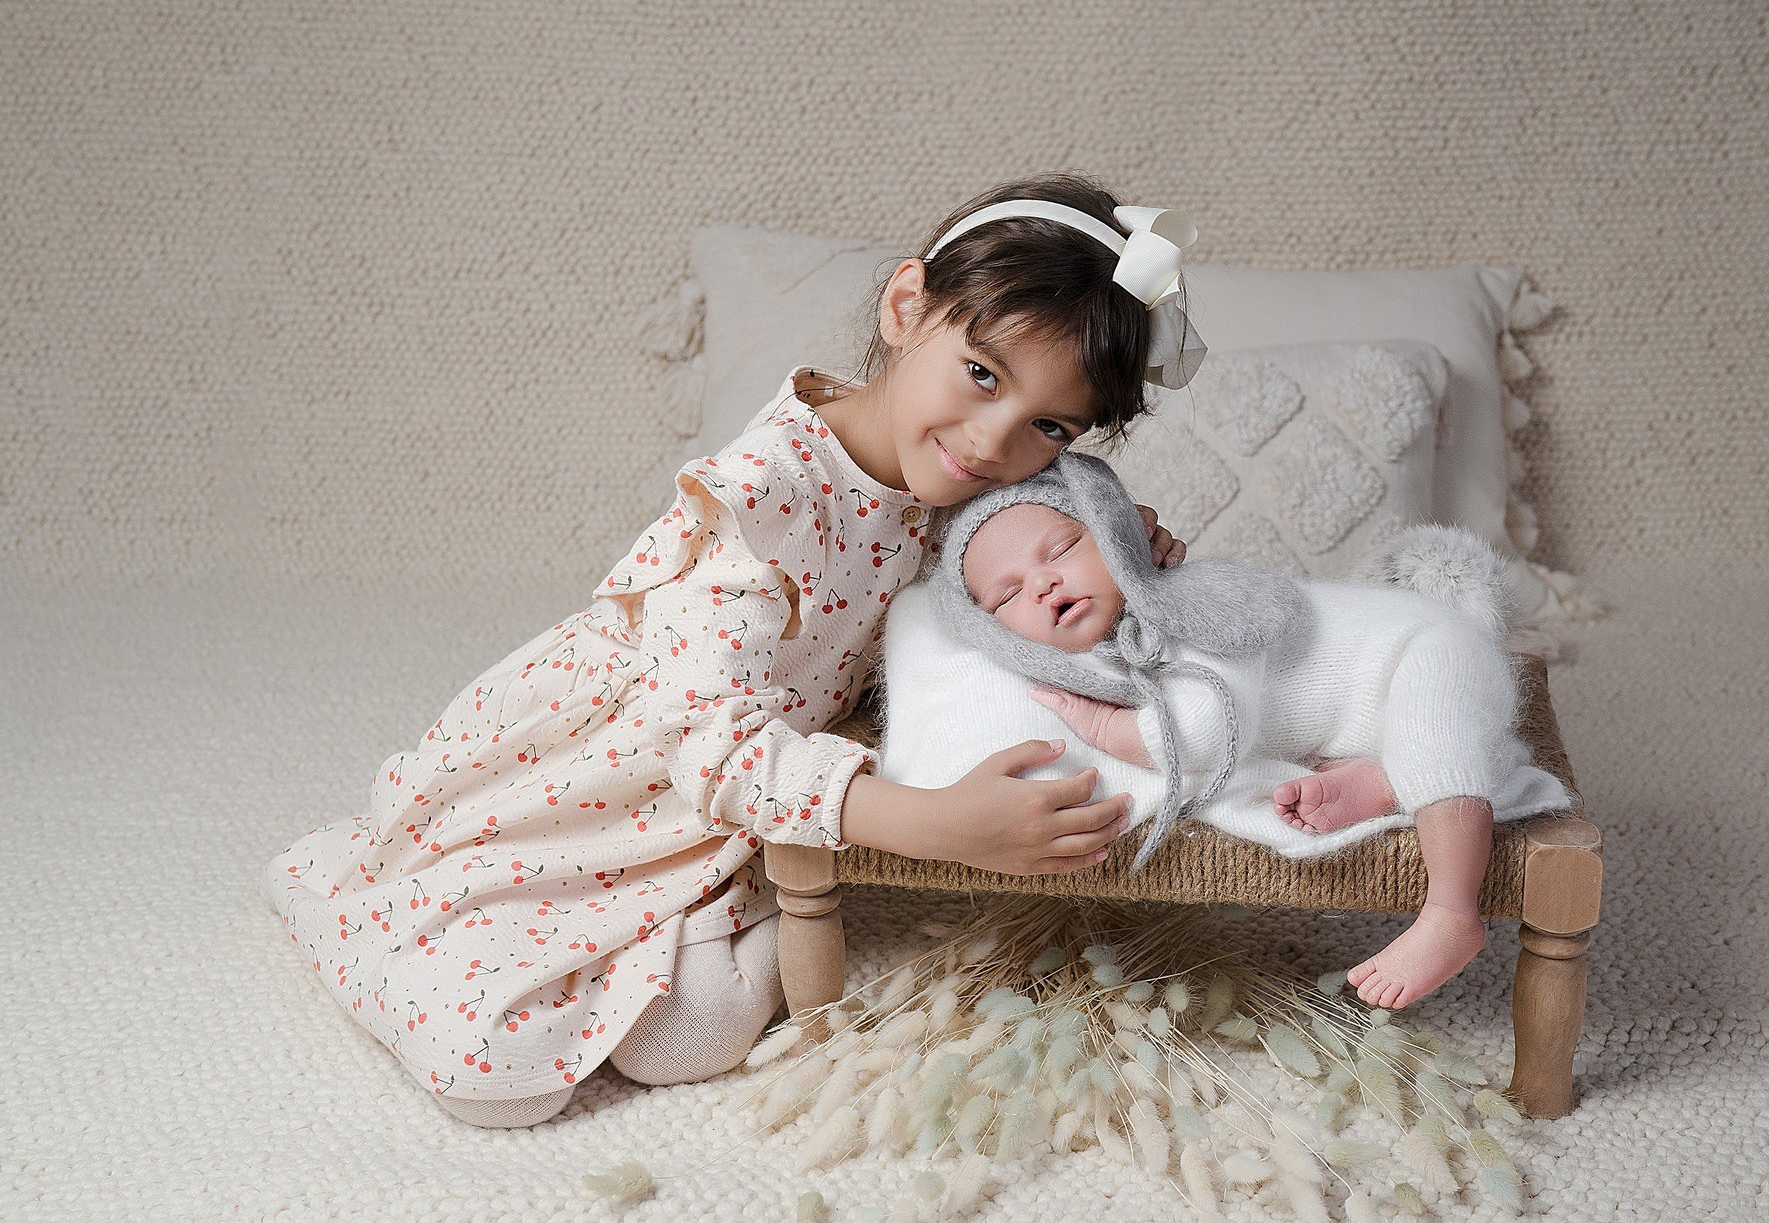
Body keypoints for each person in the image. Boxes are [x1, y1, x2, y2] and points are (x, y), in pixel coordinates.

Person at [262, 174, 1197, 1126]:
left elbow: (1034, 563)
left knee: (697, 1034)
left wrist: (1115, 546)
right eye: (982, 373)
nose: (992, 439)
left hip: (751, 794)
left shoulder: (978, 490)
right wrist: (934, 824)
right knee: (495, 1072)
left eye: (1049, 425)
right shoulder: (769, 491)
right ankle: (329, 886)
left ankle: (685, 922)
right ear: (908, 306)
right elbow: (702, 737)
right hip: (623, 768)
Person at [927, 452, 1576, 1009]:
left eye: (1062, 548)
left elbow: (1208, 730)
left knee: (1438, 732)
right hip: (1366, 721)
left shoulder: (1193, 605)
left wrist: (1104, 724)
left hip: (1427, 647)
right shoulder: (1110, 654)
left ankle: (1450, 911)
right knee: (1422, 745)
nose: (1041, 583)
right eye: (1006, 595)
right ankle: (1382, 778)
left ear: (1114, 536)